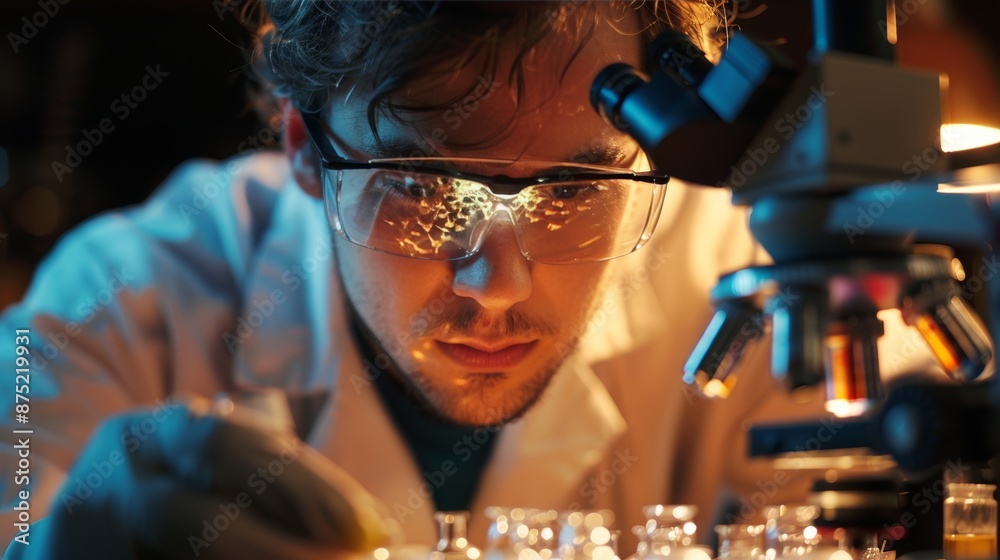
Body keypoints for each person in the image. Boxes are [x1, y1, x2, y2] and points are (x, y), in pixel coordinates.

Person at [0, 1, 883, 558]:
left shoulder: (764, 280)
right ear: (304, 151)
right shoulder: (114, 308)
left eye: (575, 188)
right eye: (421, 187)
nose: (496, 284)